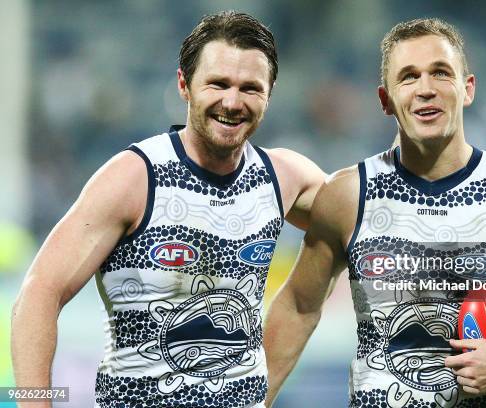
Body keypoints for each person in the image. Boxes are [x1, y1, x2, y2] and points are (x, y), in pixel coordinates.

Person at [263, 18, 486, 407]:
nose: (426, 89)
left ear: (467, 88)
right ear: (385, 100)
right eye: (408, 77)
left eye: (440, 73)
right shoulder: (348, 195)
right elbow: (299, 306)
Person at [11, 11, 326, 408]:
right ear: (184, 85)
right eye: (218, 84)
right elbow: (38, 292)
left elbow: (364, 218)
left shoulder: (284, 177)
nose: (232, 102)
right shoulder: (135, 178)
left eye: (250, 88)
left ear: (269, 95)